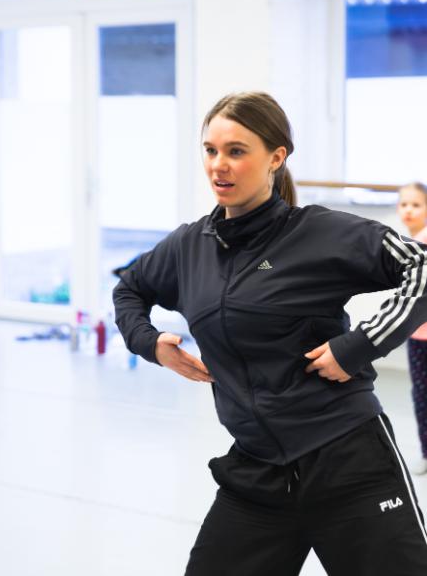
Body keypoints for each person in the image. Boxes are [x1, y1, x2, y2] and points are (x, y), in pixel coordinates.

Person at [113, 92, 427, 575]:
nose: (219, 165)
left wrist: (359, 345)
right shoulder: (189, 246)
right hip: (256, 473)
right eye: (210, 150)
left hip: (349, 464)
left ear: (276, 158)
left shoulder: (320, 233)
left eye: (237, 151)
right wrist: (149, 342)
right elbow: (129, 289)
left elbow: (421, 267)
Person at [398, 182, 427, 476]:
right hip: (418, 336)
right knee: (421, 394)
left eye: (416, 204)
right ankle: (426, 451)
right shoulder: (409, 242)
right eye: (404, 204)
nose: (408, 210)